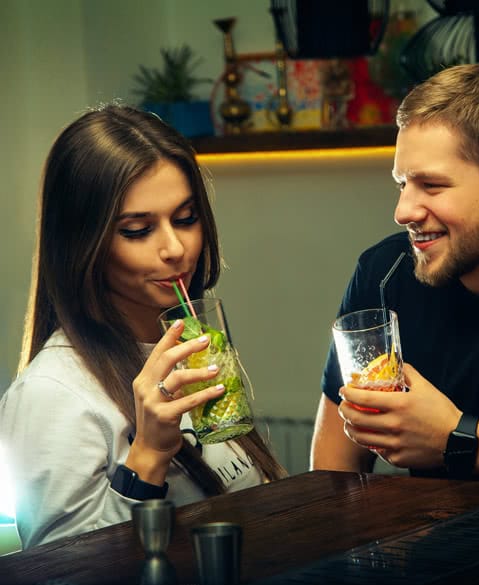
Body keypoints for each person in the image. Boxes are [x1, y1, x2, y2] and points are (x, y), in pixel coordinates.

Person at [0, 104, 287, 549]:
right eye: (137, 230)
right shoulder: (52, 393)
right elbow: (62, 572)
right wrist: (148, 455)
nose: (175, 248)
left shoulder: (189, 343)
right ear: (83, 244)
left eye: (186, 218)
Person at [311, 61, 479, 487]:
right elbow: (333, 472)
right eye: (402, 184)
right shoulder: (382, 274)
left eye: (432, 186)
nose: (403, 212)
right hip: (431, 549)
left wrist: (456, 438)